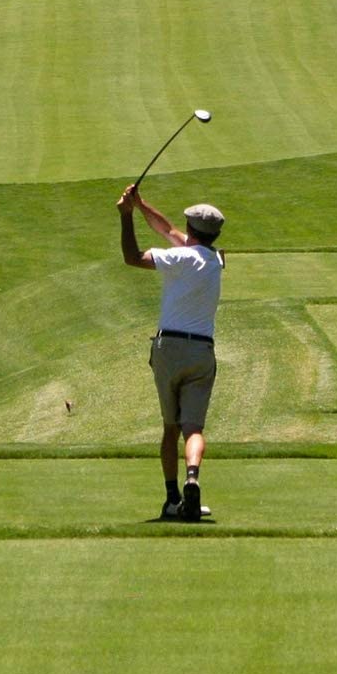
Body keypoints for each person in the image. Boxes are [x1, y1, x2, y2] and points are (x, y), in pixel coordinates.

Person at [116, 183, 225, 522]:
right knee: (193, 428)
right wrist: (142, 204)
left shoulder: (176, 258)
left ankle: (171, 498)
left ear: (191, 229)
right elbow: (167, 230)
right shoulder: (218, 259)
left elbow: (132, 258)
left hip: (168, 349)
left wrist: (126, 217)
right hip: (201, 352)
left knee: (169, 428)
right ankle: (193, 477)